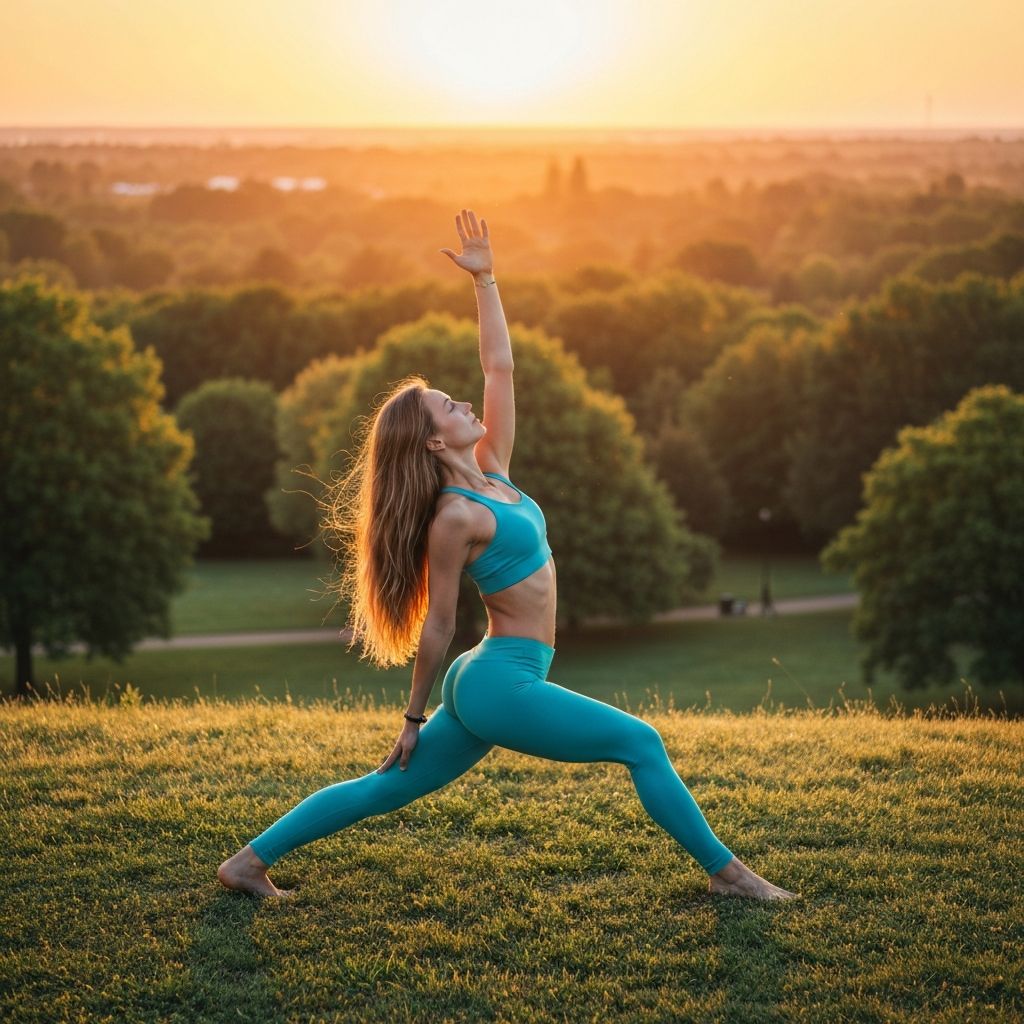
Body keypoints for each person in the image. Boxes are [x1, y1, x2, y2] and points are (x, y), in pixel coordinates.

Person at [218, 209, 800, 902]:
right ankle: (733, 878)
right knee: (641, 743)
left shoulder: (493, 470)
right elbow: (437, 624)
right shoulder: (456, 517)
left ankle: (246, 864)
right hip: (500, 681)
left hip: (489, 674)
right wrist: (410, 717)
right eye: (447, 407)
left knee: (385, 791)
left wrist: (485, 279)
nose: (464, 401)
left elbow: (500, 364)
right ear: (434, 443)